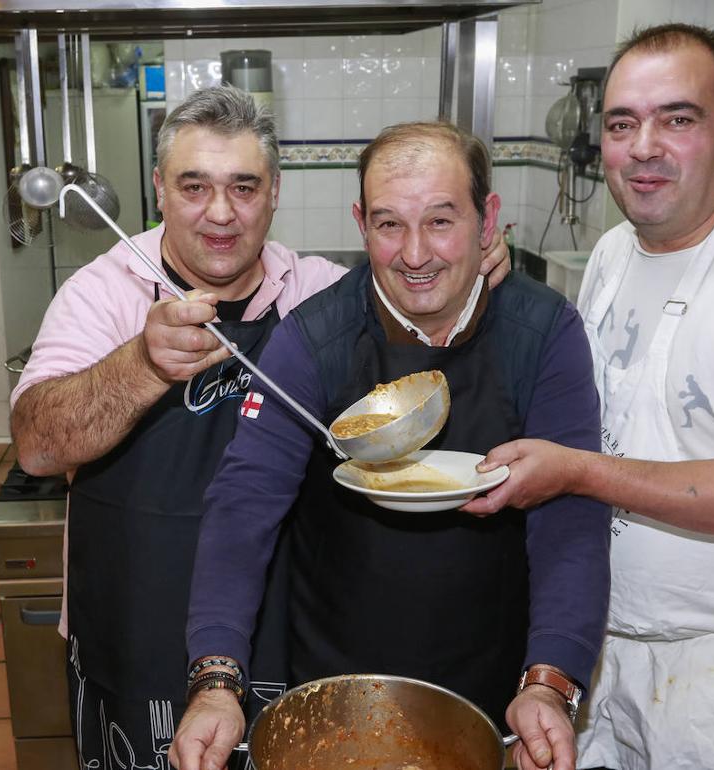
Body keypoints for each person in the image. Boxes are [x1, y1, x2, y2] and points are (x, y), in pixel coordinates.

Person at [9, 87, 510, 769]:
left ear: (275, 193)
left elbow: (425, 329)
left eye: (243, 187)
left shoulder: (318, 292)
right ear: (160, 190)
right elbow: (37, 447)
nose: (221, 213)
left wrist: (468, 270)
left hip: (281, 632)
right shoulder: (103, 292)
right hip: (135, 627)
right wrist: (142, 364)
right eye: (195, 186)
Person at [462, 23, 714, 770]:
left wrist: (577, 472)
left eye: (677, 119)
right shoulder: (614, 253)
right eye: (623, 124)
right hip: (599, 651)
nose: (643, 147)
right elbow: (603, 417)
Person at [169, 121, 611, 770]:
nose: (415, 254)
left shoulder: (543, 332)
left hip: (498, 690)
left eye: (440, 221)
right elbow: (244, 503)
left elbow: (570, 517)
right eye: (388, 225)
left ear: (487, 220)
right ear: (361, 224)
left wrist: (551, 681)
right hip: (335, 692)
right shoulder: (311, 340)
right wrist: (215, 678)